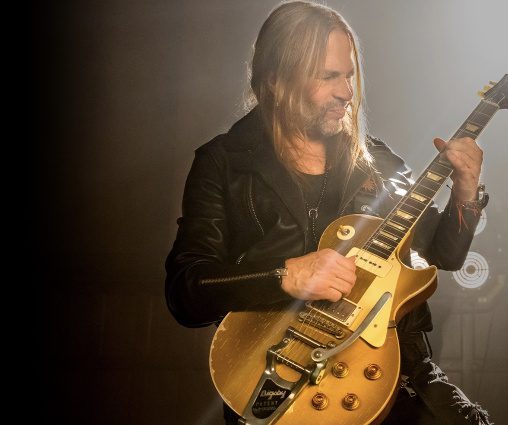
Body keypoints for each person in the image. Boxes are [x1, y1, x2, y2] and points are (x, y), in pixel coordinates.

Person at [165, 1, 491, 424]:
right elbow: (186, 291)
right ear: (276, 81)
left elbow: (443, 254)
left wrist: (466, 192)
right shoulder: (223, 163)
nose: (346, 93)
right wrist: (284, 276)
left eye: (349, 76)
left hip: (397, 373)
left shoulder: (377, 161)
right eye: (328, 76)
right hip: (282, 376)